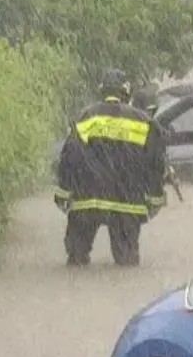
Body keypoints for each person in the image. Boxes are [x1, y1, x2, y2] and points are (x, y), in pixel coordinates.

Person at [54, 69, 167, 267]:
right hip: (127, 203)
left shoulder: (86, 118)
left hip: (87, 201)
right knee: (126, 262)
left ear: (102, 91)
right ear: (127, 92)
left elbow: (69, 158)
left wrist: (63, 194)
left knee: (76, 258)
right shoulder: (144, 123)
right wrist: (155, 200)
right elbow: (155, 164)